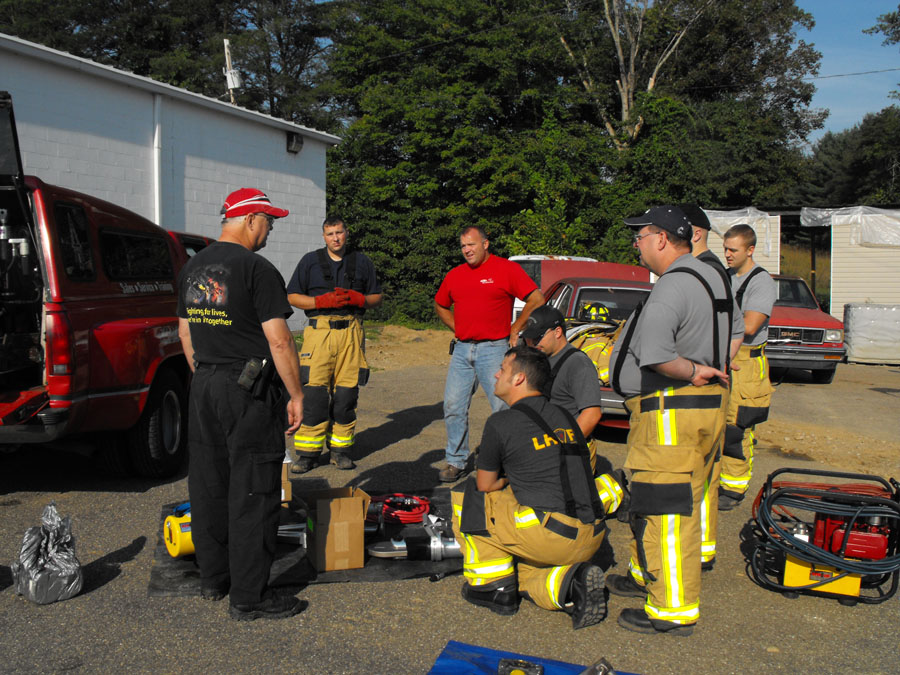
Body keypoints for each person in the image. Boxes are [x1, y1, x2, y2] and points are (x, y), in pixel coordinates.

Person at [606, 205, 744, 636]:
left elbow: (658, 356)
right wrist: (713, 367)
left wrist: (694, 369)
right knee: (681, 502)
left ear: (662, 239)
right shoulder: (713, 277)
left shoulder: (672, 284)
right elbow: (738, 332)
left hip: (670, 412)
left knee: (666, 513)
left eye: (640, 237)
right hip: (707, 409)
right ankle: (645, 575)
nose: (636, 245)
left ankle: (672, 610)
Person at [177, 187, 305, 621]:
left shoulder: (193, 266)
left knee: (209, 484)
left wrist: (207, 378)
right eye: (269, 221)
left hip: (204, 381)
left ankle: (214, 579)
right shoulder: (256, 268)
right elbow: (280, 341)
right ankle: (249, 597)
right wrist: (296, 394)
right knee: (254, 488)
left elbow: (185, 333)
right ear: (250, 219)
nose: (270, 230)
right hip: (247, 387)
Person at [450, 345, 611, 629]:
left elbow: (485, 484)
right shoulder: (564, 415)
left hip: (552, 536)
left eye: (503, 369)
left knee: (469, 495)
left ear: (519, 379)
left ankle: (492, 586)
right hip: (592, 534)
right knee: (524, 572)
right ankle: (570, 584)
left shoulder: (501, 423)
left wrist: (505, 480)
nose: (496, 374)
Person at [434, 226, 545, 482]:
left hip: (495, 349)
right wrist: (458, 328)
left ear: (485, 244)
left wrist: (516, 327)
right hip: (462, 349)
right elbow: (440, 304)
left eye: (471, 244)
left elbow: (536, 299)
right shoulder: (455, 275)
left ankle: (504, 461)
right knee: (453, 406)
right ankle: (456, 461)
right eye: (463, 246)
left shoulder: (506, 269)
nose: (467, 250)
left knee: (502, 407)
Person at [286, 217, 382, 473]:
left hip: (351, 333)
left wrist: (361, 299)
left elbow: (377, 297)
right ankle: (307, 454)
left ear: (346, 233)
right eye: (330, 234)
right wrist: (320, 302)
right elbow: (292, 296)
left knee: (346, 396)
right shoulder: (310, 261)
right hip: (319, 334)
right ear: (324, 236)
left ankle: (340, 451)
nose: (335, 238)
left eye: (339, 232)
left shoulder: (362, 261)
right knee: (314, 396)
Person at [682, 203, 731, 570]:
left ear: (695, 233)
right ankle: (703, 548)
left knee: (696, 474)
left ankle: (697, 550)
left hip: (702, 388)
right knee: (705, 473)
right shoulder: (713, 270)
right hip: (711, 383)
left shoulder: (705, 271)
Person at [719, 224, 777, 511]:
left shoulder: (761, 281)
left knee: (737, 427)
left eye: (733, 250)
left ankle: (733, 488)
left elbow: (751, 326)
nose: (727, 255)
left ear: (750, 250)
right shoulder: (726, 277)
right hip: (724, 357)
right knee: (716, 423)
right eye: (725, 249)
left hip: (746, 362)